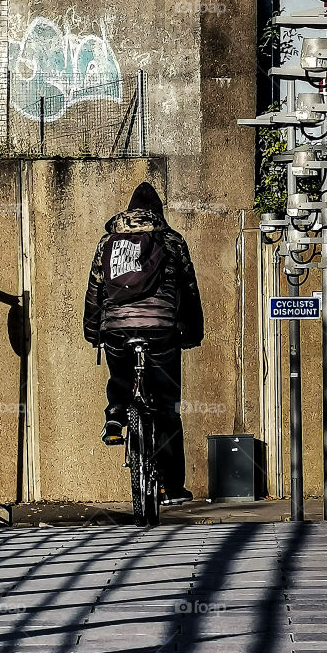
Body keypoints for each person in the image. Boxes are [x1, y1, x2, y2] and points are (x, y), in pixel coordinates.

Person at [83, 182, 204, 506]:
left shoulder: (108, 242)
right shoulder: (172, 241)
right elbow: (189, 291)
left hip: (117, 330)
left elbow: (95, 291)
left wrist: (94, 331)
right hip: (162, 329)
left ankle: (115, 416)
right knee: (167, 407)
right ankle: (170, 488)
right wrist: (192, 332)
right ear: (158, 213)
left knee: (120, 376)